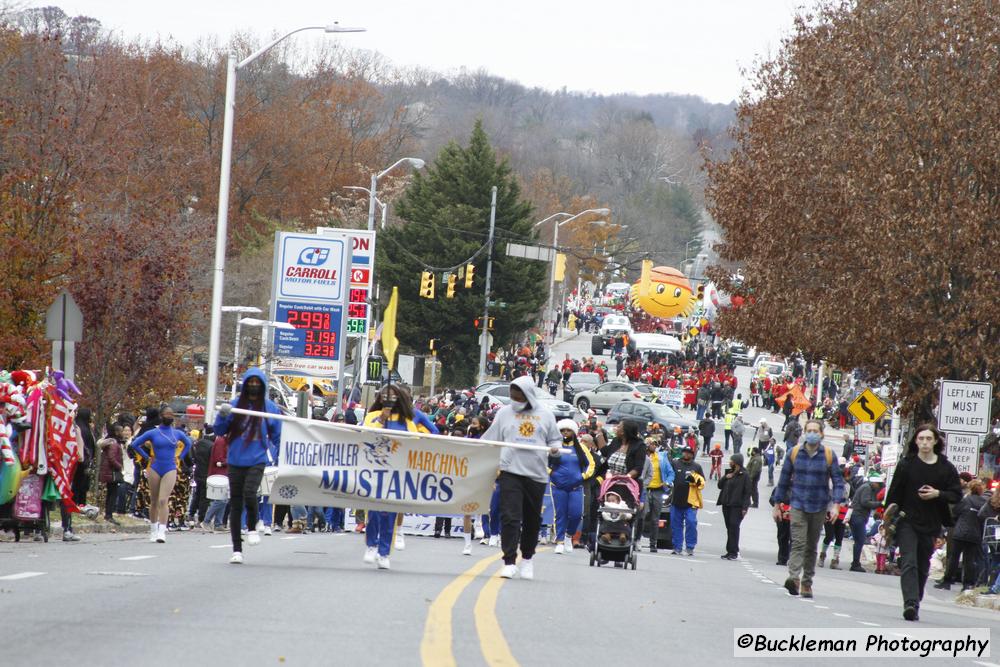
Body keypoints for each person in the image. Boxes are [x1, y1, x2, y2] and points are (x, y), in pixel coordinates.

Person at [481, 376, 562, 580]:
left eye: (518, 396)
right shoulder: (504, 413)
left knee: (532, 520)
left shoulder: (545, 415)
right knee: (509, 517)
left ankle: (527, 559)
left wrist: (555, 450)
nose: (514, 399)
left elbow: (555, 440)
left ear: (528, 395)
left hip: (536, 475)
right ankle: (508, 561)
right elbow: (490, 439)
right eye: (512, 395)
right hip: (510, 472)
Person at [883, 423, 961, 621]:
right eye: (921, 439)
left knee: (922, 564)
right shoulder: (906, 464)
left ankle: (915, 600)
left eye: (928, 439)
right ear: (915, 441)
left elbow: (956, 495)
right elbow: (893, 495)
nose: (925, 442)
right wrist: (885, 520)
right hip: (906, 520)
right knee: (908, 561)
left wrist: (937, 493)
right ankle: (909, 602)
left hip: (932, 522)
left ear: (935, 441)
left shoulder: (946, 468)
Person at [362, 384, 438, 570]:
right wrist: (382, 419)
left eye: (393, 396)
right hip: (375, 471)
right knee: (373, 511)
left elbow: (415, 438)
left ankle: (384, 553)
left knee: (389, 515)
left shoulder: (406, 419)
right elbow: (364, 435)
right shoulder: (372, 416)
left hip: (397, 473)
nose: (389, 399)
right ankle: (371, 544)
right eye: (385, 395)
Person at [214, 368, 283, 565]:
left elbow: (277, 434)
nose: (254, 385)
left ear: (262, 385)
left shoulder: (269, 407)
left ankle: (252, 527)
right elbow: (219, 430)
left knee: (250, 492)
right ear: (245, 385)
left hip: (257, 458)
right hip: (235, 459)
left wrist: (283, 456)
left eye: (257, 382)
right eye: (250, 382)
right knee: (236, 503)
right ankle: (237, 549)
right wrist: (223, 415)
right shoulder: (235, 406)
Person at [770, 419, 844, 599]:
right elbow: (784, 480)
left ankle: (807, 582)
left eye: (815, 431)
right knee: (798, 543)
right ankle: (793, 578)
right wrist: (777, 504)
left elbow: (838, 481)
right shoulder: (794, 453)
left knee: (811, 546)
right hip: (798, 505)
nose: (812, 433)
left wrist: (836, 505)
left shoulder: (828, 455)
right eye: (809, 430)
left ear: (821, 434)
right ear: (804, 432)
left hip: (819, 506)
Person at [131, 406, 193, 544]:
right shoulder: (153, 432)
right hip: (154, 467)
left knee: (163, 500)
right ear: (161, 415)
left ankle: (162, 531)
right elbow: (135, 444)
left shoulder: (177, 433)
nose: (169, 416)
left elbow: (188, 444)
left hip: (170, 467)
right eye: (166, 414)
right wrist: (146, 457)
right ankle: (153, 529)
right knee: (153, 500)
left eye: (171, 414)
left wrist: (180, 457)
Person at [550, 419, 596, 555]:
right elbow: (543, 462)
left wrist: (582, 477)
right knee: (560, 514)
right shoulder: (554, 447)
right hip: (558, 486)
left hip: (576, 486)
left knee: (577, 514)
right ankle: (559, 541)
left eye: (568, 430)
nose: (565, 433)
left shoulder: (581, 448)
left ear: (573, 432)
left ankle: (569, 536)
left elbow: (591, 464)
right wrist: (552, 474)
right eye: (562, 430)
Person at [934, 479, 986, 592]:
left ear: (971, 488)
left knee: (954, 558)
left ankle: (947, 581)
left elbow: (955, 512)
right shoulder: (984, 503)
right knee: (970, 560)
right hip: (975, 534)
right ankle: (967, 584)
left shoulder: (965, 500)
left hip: (960, 533)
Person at [669, 444, 706, 556]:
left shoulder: (697, 467)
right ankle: (677, 547)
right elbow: (669, 475)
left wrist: (695, 481)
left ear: (692, 454)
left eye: (689, 453)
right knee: (676, 525)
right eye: (685, 452)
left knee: (691, 522)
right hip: (676, 500)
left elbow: (702, 482)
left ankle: (690, 546)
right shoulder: (675, 464)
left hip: (691, 502)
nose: (686, 454)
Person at [643, 434, 675, 553]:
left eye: (656, 444)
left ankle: (653, 544)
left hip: (657, 490)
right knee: (641, 516)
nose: (654, 446)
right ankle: (635, 540)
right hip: (644, 490)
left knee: (655, 519)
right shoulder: (641, 457)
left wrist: (667, 482)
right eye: (652, 444)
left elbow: (671, 473)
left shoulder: (662, 457)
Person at [718, 453, 752, 559]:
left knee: (734, 526)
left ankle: (734, 551)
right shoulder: (729, 472)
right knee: (729, 527)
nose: (730, 462)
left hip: (737, 505)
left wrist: (745, 507)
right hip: (726, 504)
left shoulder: (744, 475)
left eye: (731, 461)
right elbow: (720, 485)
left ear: (736, 462)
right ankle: (730, 550)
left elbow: (747, 492)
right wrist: (725, 477)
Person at [848, 473, 885, 572]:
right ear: (874, 482)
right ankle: (855, 564)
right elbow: (865, 502)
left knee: (858, 540)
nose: (879, 486)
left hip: (857, 516)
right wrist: (879, 504)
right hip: (858, 516)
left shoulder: (866, 487)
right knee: (860, 540)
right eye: (878, 484)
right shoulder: (867, 488)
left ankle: (855, 562)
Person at [97, 423, 125, 526]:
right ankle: (109, 515)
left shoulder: (110, 442)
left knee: (111, 493)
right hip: (112, 472)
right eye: (121, 431)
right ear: (117, 432)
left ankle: (108, 514)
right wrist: (119, 466)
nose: (123, 433)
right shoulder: (114, 443)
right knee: (112, 494)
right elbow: (111, 458)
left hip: (108, 472)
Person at [191, 427, 214, 525]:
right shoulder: (212, 446)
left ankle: (191, 513)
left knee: (197, 494)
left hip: (197, 472)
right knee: (205, 497)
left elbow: (193, 457)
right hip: (207, 473)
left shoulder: (198, 443)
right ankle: (201, 517)